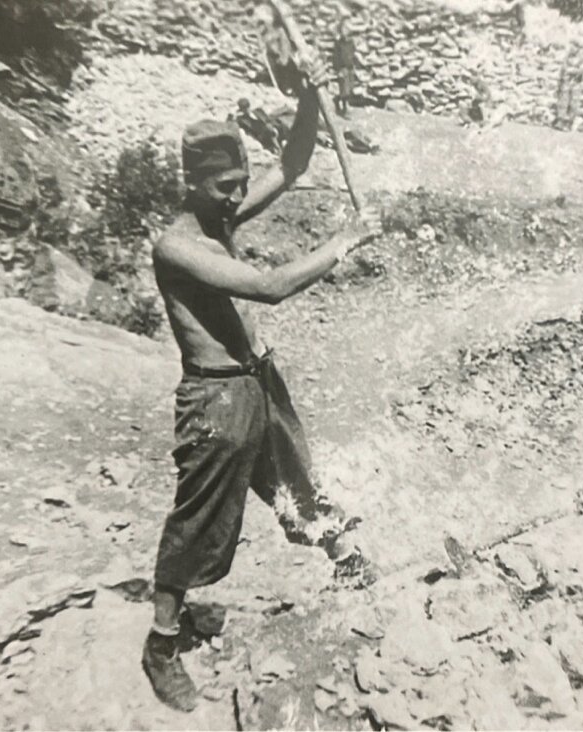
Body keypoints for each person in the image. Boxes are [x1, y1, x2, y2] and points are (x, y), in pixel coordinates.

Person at [143, 51, 381, 712]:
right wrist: (345, 241)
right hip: (215, 400)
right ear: (193, 182)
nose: (235, 196)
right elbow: (270, 288)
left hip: (257, 383)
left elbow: (296, 165)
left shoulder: (218, 218)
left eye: (239, 183)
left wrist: (311, 96)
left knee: (297, 480)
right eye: (224, 186)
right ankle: (161, 643)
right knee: (201, 524)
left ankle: (349, 560)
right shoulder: (178, 246)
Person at [331, 18, 357, 117]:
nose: (345, 31)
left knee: (350, 88)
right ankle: (345, 109)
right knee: (344, 89)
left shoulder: (351, 43)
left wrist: (353, 65)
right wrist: (338, 69)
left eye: (347, 29)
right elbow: (335, 57)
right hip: (342, 68)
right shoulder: (338, 43)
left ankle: (336, 100)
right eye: (343, 29)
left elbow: (353, 54)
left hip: (350, 68)